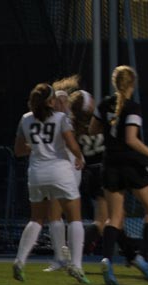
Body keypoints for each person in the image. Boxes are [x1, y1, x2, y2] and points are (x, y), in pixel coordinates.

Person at [90, 65, 148, 285]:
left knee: (114, 217)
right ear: (132, 84)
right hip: (130, 164)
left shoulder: (103, 104)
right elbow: (131, 139)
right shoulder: (133, 107)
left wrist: (108, 128)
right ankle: (143, 258)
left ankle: (107, 258)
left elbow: (92, 130)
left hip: (109, 164)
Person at [13, 83, 89, 284]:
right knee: (75, 218)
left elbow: (19, 150)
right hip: (60, 172)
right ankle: (77, 266)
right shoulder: (60, 118)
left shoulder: (25, 119)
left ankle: (20, 261)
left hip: (36, 174)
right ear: (49, 101)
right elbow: (71, 144)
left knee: (36, 219)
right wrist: (79, 157)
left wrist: (38, 146)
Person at [68, 89, 138, 262]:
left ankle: (132, 256)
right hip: (105, 172)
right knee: (103, 222)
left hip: (91, 174)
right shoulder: (100, 121)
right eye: (90, 98)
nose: (93, 99)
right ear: (87, 104)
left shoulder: (74, 127)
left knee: (117, 218)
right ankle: (71, 253)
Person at [42, 74, 82, 272]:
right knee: (54, 213)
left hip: (70, 169)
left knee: (69, 213)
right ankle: (60, 257)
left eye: (64, 100)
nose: (61, 103)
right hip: (55, 168)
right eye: (57, 100)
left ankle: (73, 260)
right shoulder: (48, 121)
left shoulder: (69, 120)